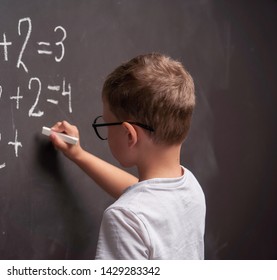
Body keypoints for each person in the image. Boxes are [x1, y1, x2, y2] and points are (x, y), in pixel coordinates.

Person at [48, 53, 206, 259]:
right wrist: (79, 155)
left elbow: (137, 203)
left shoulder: (125, 219)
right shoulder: (190, 188)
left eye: (106, 123)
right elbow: (140, 192)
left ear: (129, 135)